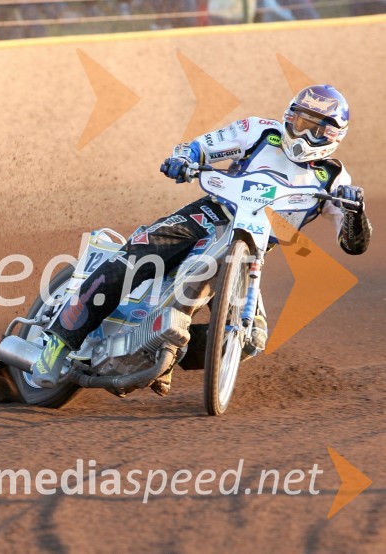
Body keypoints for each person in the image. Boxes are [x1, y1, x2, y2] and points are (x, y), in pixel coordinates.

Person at [30, 85, 372, 392]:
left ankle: (162, 354)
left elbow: (353, 244)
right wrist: (183, 159)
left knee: (250, 340)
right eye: (299, 120)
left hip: (252, 251)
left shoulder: (334, 178)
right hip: (210, 215)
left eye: (314, 126)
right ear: (288, 116)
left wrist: (356, 212)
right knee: (136, 257)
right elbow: (203, 146)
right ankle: (58, 342)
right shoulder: (260, 131)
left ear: (334, 135)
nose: (302, 131)